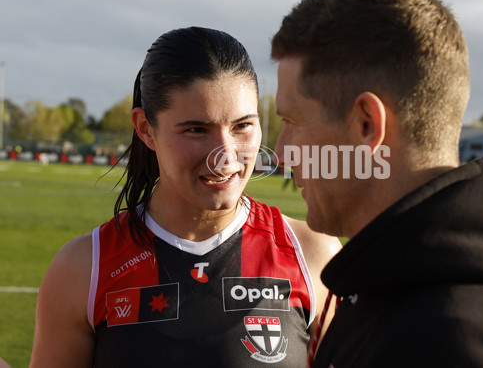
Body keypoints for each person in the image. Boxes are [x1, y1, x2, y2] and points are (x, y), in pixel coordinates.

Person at [271, 0, 483, 367]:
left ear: (367, 124)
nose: (282, 154)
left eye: (292, 120)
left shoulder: (455, 340)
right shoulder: (389, 284)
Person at [30, 27, 341, 367]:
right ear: (146, 129)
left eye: (242, 126)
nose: (226, 155)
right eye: (196, 130)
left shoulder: (312, 254)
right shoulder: (82, 269)